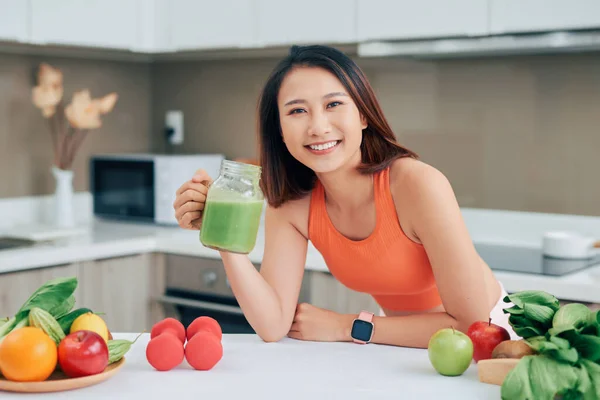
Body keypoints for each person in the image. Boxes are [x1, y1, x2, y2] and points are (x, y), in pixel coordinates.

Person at [173, 44, 519, 348]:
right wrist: (221, 237)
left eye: (333, 104)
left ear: (364, 115)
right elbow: (273, 323)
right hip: (411, 349)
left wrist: (347, 326)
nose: (318, 126)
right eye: (297, 111)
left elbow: (475, 328)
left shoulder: (416, 184)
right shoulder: (294, 202)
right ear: (278, 130)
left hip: (497, 345)